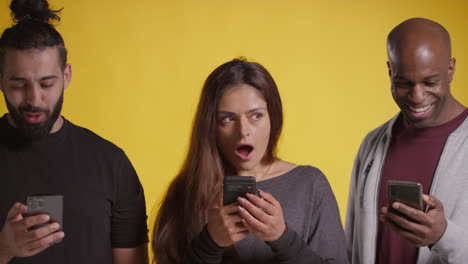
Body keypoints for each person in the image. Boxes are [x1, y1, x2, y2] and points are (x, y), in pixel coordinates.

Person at [152, 58, 347, 264]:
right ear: (211, 126)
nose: (243, 131)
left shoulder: (310, 184)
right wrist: (210, 243)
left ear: (273, 118)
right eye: (227, 119)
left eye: (255, 116)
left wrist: (282, 238)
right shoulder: (186, 189)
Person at [0, 0, 148, 263]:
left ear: (66, 76)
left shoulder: (111, 163)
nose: (34, 99)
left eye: (47, 83)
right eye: (19, 84)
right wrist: (4, 247)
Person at [345, 17, 468, 264]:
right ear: (390, 71)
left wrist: (442, 235)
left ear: (451, 69)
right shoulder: (373, 144)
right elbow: (351, 242)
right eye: (403, 83)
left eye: (430, 82)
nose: (417, 96)